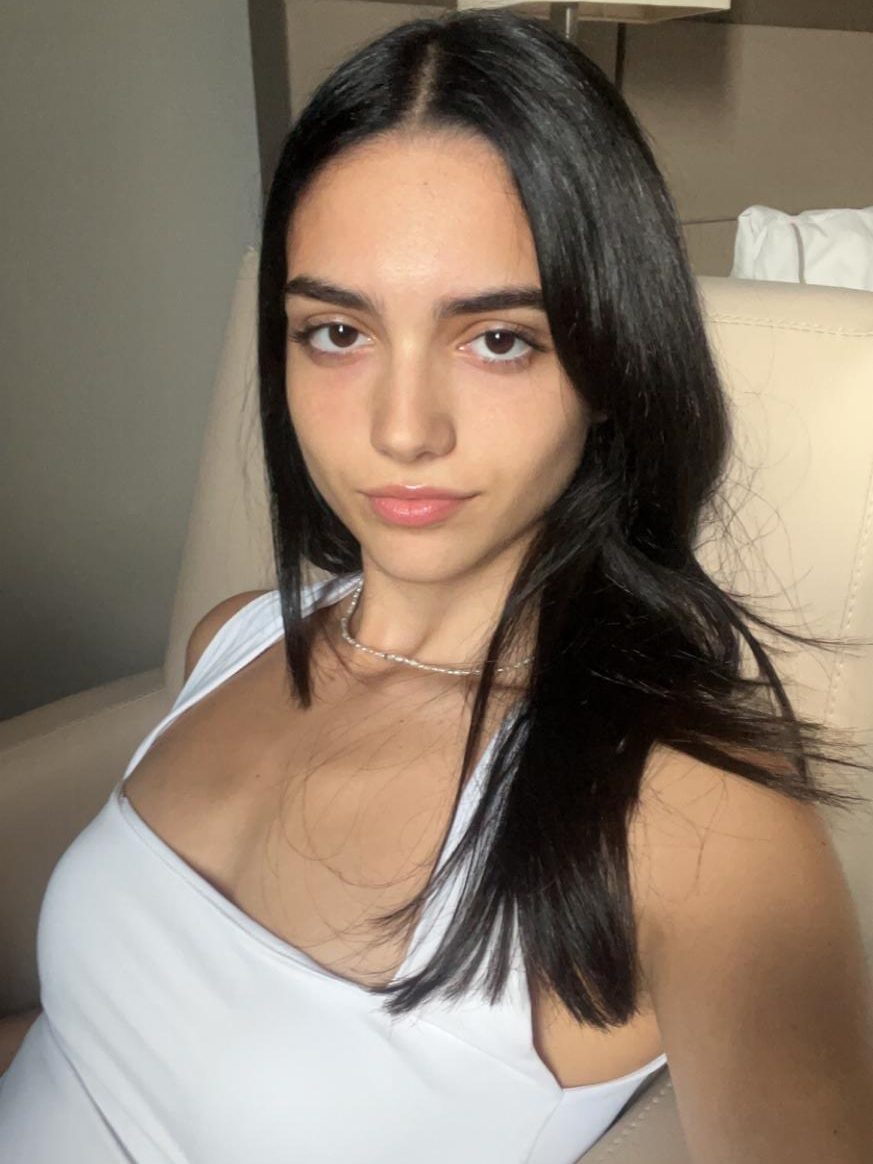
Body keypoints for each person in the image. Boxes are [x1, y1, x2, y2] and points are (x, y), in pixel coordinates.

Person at [2, 9, 872, 1163]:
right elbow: (93, 1051)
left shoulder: (695, 826)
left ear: (615, 361)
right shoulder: (233, 641)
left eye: (498, 339)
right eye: (336, 332)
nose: (402, 430)